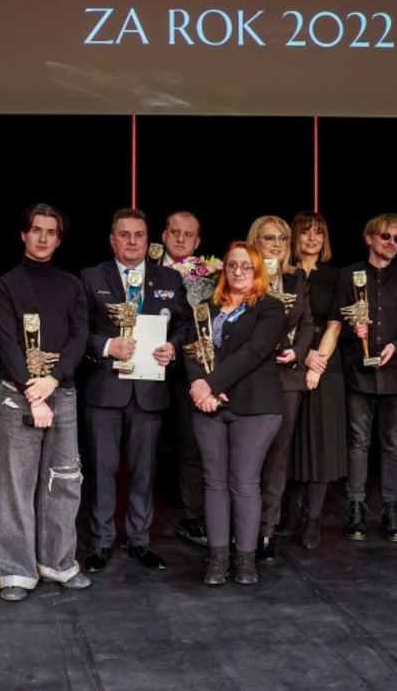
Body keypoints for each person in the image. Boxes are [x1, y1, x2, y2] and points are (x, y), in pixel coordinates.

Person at [79, 208, 191, 574]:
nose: (132, 241)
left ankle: (140, 540)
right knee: (102, 470)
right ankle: (101, 542)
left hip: (149, 391)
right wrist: (106, 346)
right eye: (124, 235)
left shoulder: (169, 278)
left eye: (139, 235)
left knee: (145, 470)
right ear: (112, 240)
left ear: (148, 240)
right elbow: (77, 330)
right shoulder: (91, 277)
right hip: (104, 391)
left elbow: (184, 326)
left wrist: (173, 348)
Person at [0, 203, 91, 602]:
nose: (43, 238)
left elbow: (79, 338)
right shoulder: (6, 285)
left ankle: (58, 562)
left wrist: (52, 380)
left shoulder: (71, 285)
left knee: (64, 481)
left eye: (51, 232)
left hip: (61, 392)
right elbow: (7, 343)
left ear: (59, 239)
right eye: (36, 230)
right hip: (18, 396)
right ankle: (15, 571)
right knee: (17, 485)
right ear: (24, 234)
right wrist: (33, 393)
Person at [183, 241, 287, 586]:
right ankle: (218, 559)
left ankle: (245, 559)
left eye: (246, 266)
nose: (238, 271)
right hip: (208, 405)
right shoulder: (205, 307)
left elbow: (255, 351)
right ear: (224, 269)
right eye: (232, 265)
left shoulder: (270, 307)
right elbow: (193, 349)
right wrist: (199, 385)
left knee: (244, 482)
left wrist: (210, 384)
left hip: (256, 406)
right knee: (213, 481)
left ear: (257, 271)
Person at [337, 213, 397, 543]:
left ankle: (391, 507)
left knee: (393, 443)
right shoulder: (347, 275)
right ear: (369, 237)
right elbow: (333, 323)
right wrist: (352, 330)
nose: (391, 243)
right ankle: (356, 507)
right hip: (357, 372)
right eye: (385, 236)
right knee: (358, 442)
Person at [248, 216, 314, 562]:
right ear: (255, 241)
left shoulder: (296, 278)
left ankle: (266, 530)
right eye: (269, 238)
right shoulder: (243, 274)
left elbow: (308, 323)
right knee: (246, 456)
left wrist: (297, 351)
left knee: (277, 457)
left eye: (283, 239)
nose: (276, 245)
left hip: (286, 377)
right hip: (248, 376)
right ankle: (241, 527)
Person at [282, 212, 348, 550]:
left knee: (319, 443)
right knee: (290, 441)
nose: (312, 238)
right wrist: (300, 354)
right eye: (305, 232)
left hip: (325, 362)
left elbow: (335, 325)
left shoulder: (335, 276)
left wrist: (316, 364)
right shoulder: (282, 273)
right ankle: (290, 513)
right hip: (288, 358)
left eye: (318, 233)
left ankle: (313, 519)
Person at [159, 210, 209, 548]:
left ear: (197, 241)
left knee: (192, 445)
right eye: (174, 232)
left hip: (188, 371)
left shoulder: (210, 275)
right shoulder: (145, 268)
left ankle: (193, 515)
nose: (180, 239)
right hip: (145, 367)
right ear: (164, 236)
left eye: (188, 234)